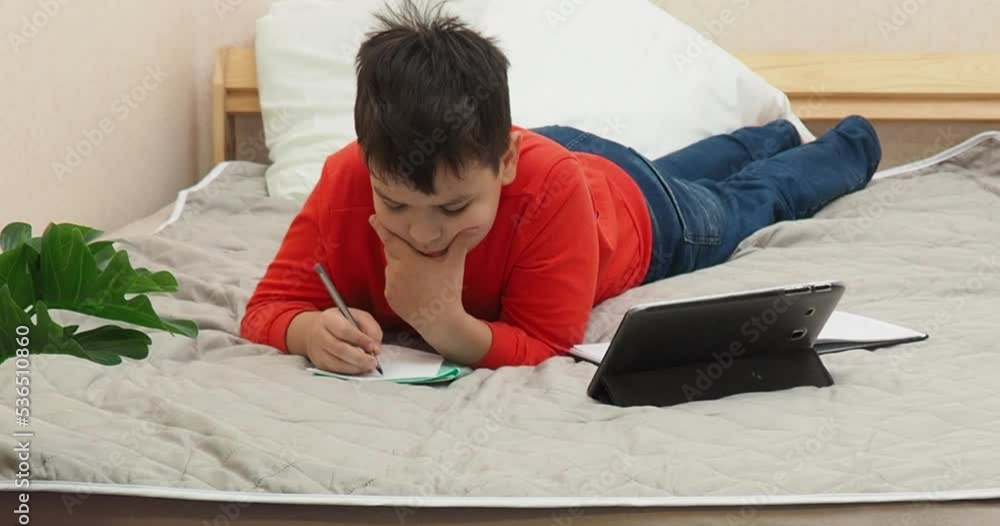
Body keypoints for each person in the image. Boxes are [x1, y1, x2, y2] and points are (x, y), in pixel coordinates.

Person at [240, 0, 881, 374]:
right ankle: (761, 135)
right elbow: (269, 306)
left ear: (506, 160)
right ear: (367, 166)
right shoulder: (346, 177)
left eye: (454, 208)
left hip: (632, 210)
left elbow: (547, 341)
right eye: (395, 204)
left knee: (742, 204)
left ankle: (850, 142)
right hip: (571, 166)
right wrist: (305, 332)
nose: (424, 231)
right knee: (692, 163)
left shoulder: (548, 188)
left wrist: (439, 316)